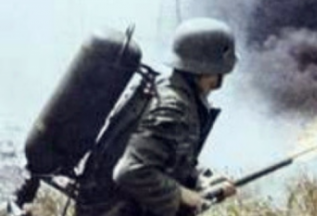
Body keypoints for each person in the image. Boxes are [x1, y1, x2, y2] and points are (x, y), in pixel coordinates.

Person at [76, 18, 239, 216]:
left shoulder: (168, 89)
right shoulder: (174, 108)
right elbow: (131, 171)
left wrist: (200, 179)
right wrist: (183, 194)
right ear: (207, 69)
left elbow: (171, 156)